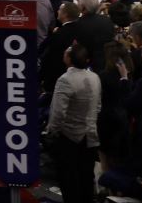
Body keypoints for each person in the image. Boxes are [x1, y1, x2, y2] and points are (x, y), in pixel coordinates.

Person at [46, 44, 100, 203]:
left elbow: (58, 112)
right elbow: (98, 106)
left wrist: (52, 131)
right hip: (90, 134)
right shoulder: (94, 77)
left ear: (69, 58)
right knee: (86, 177)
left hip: (69, 136)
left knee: (69, 179)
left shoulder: (65, 80)